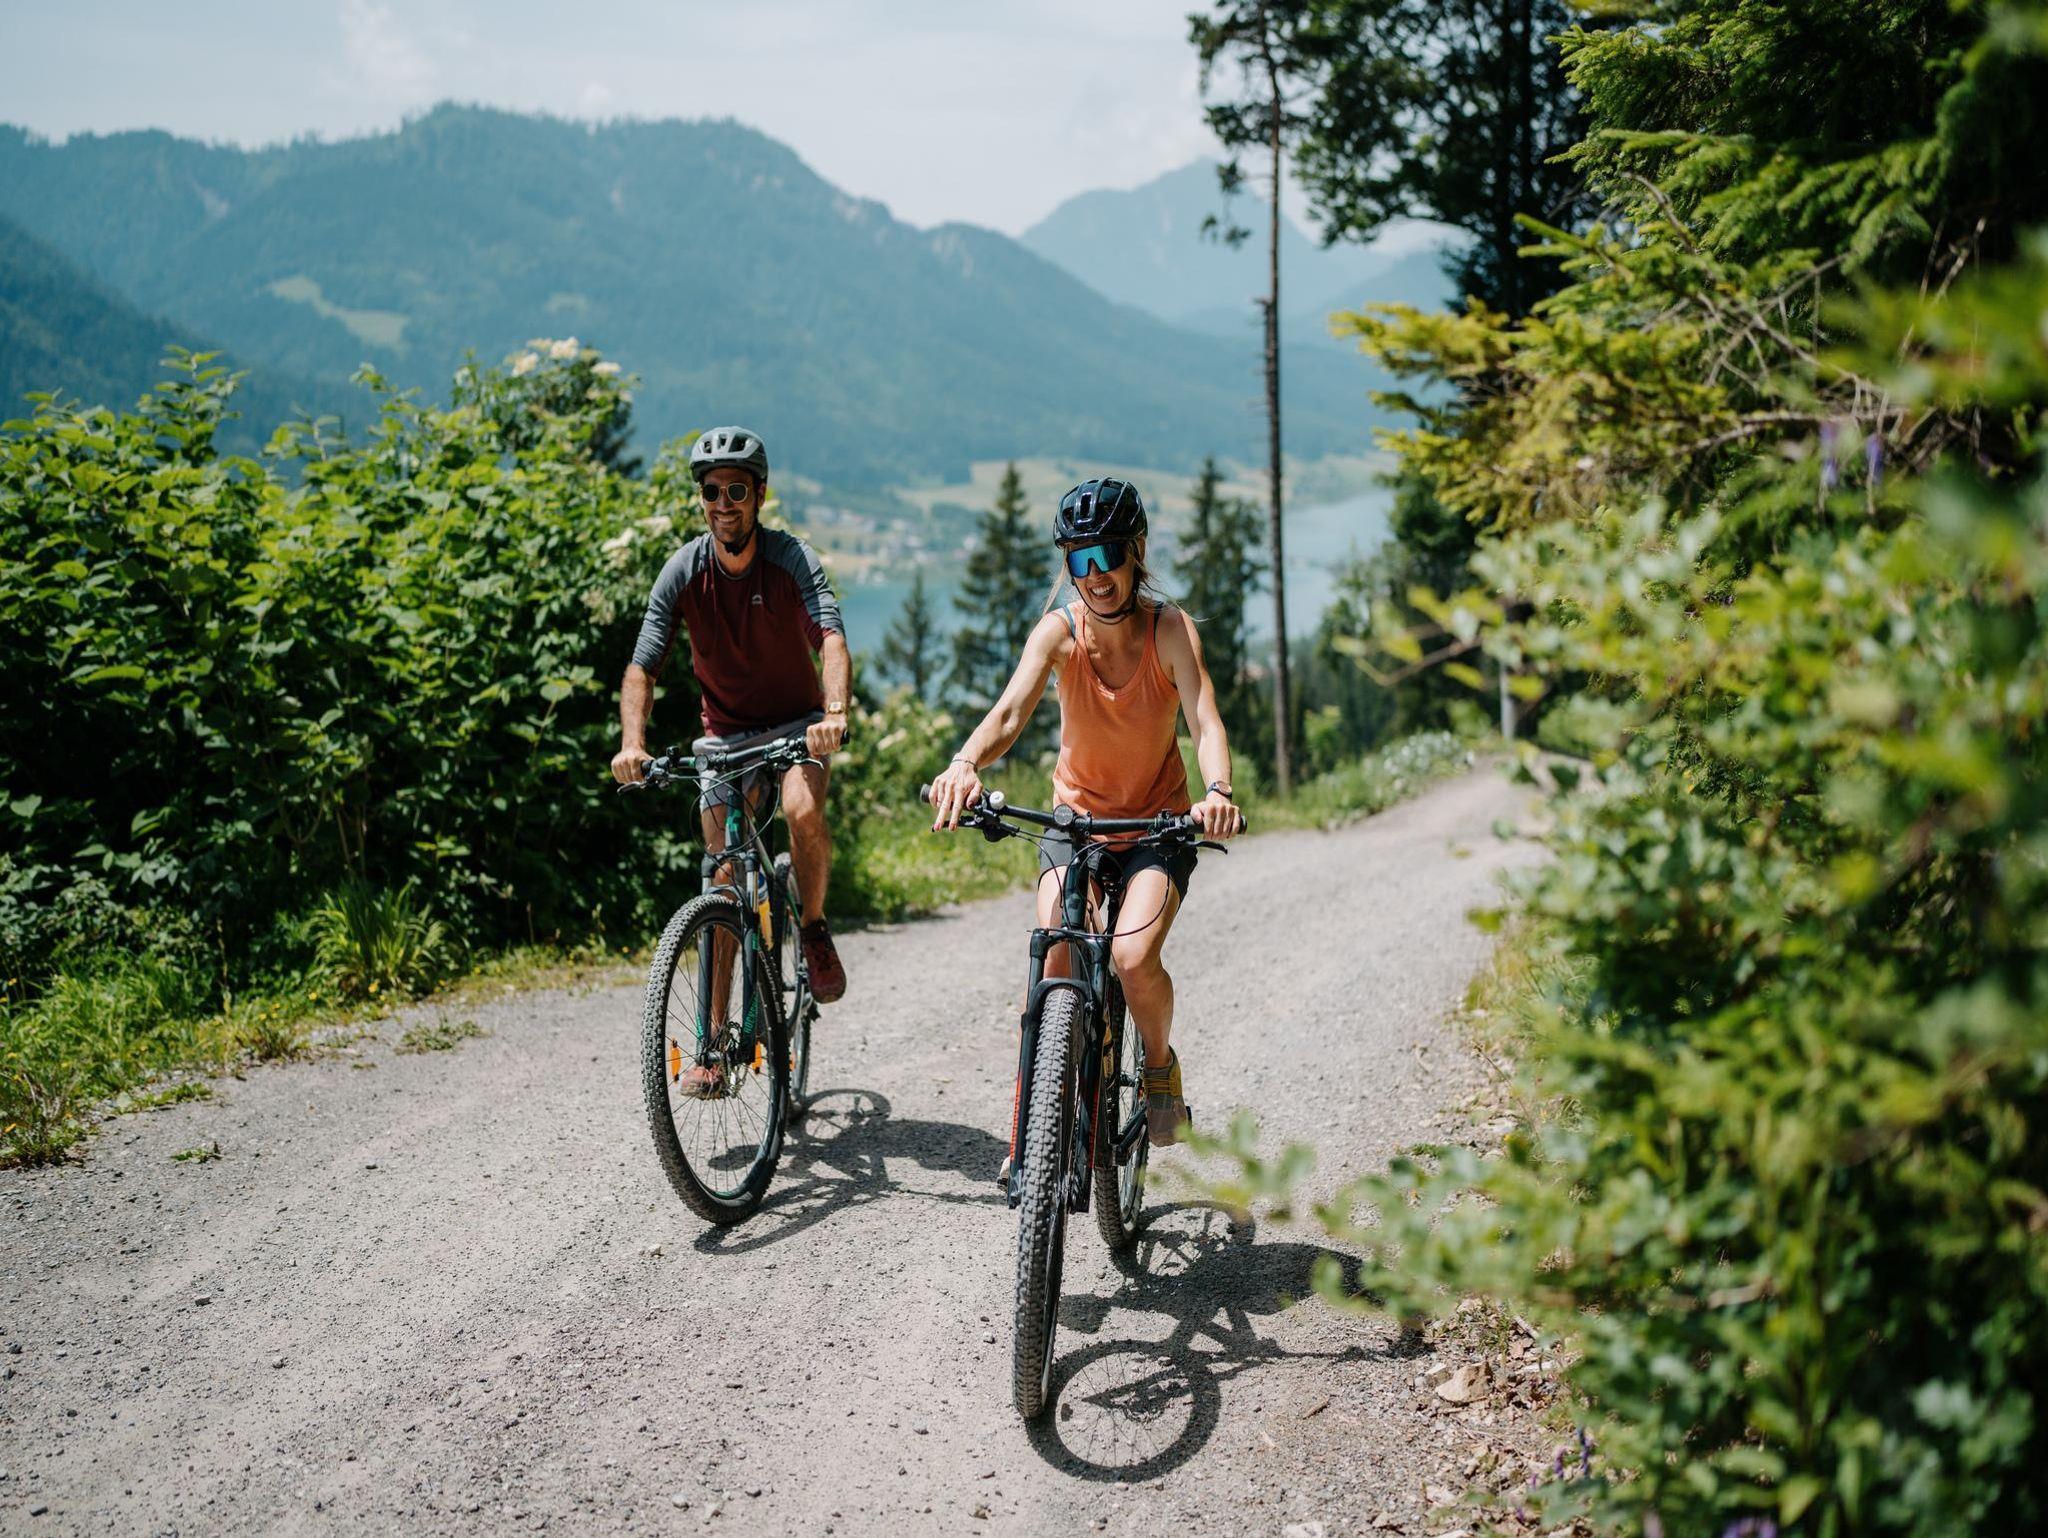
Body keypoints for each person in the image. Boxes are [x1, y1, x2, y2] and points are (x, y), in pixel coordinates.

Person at [926, 478, 1241, 1145]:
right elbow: (1008, 714)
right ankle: (1038, 1125)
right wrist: (964, 762)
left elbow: (1204, 720)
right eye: (1079, 558)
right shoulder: (1058, 634)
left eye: (1108, 554)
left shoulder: (1170, 630)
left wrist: (1217, 792)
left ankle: (1158, 1067)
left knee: (1132, 955)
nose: (1095, 574)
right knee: (1057, 952)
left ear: (1137, 552)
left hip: (1157, 828)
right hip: (1075, 826)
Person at [611, 426, 852, 1025]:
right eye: (712, 491)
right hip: (723, 739)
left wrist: (834, 714)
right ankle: (713, 1039)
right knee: (721, 875)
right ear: (701, 499)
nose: (724, 503)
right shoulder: (682, 571)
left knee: (801, 810)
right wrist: (632, 744)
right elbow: (642, 667)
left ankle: (813, 926)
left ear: (759, 495)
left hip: (798, 727)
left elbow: (830, 637)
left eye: (737, 491)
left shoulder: (790, 560)